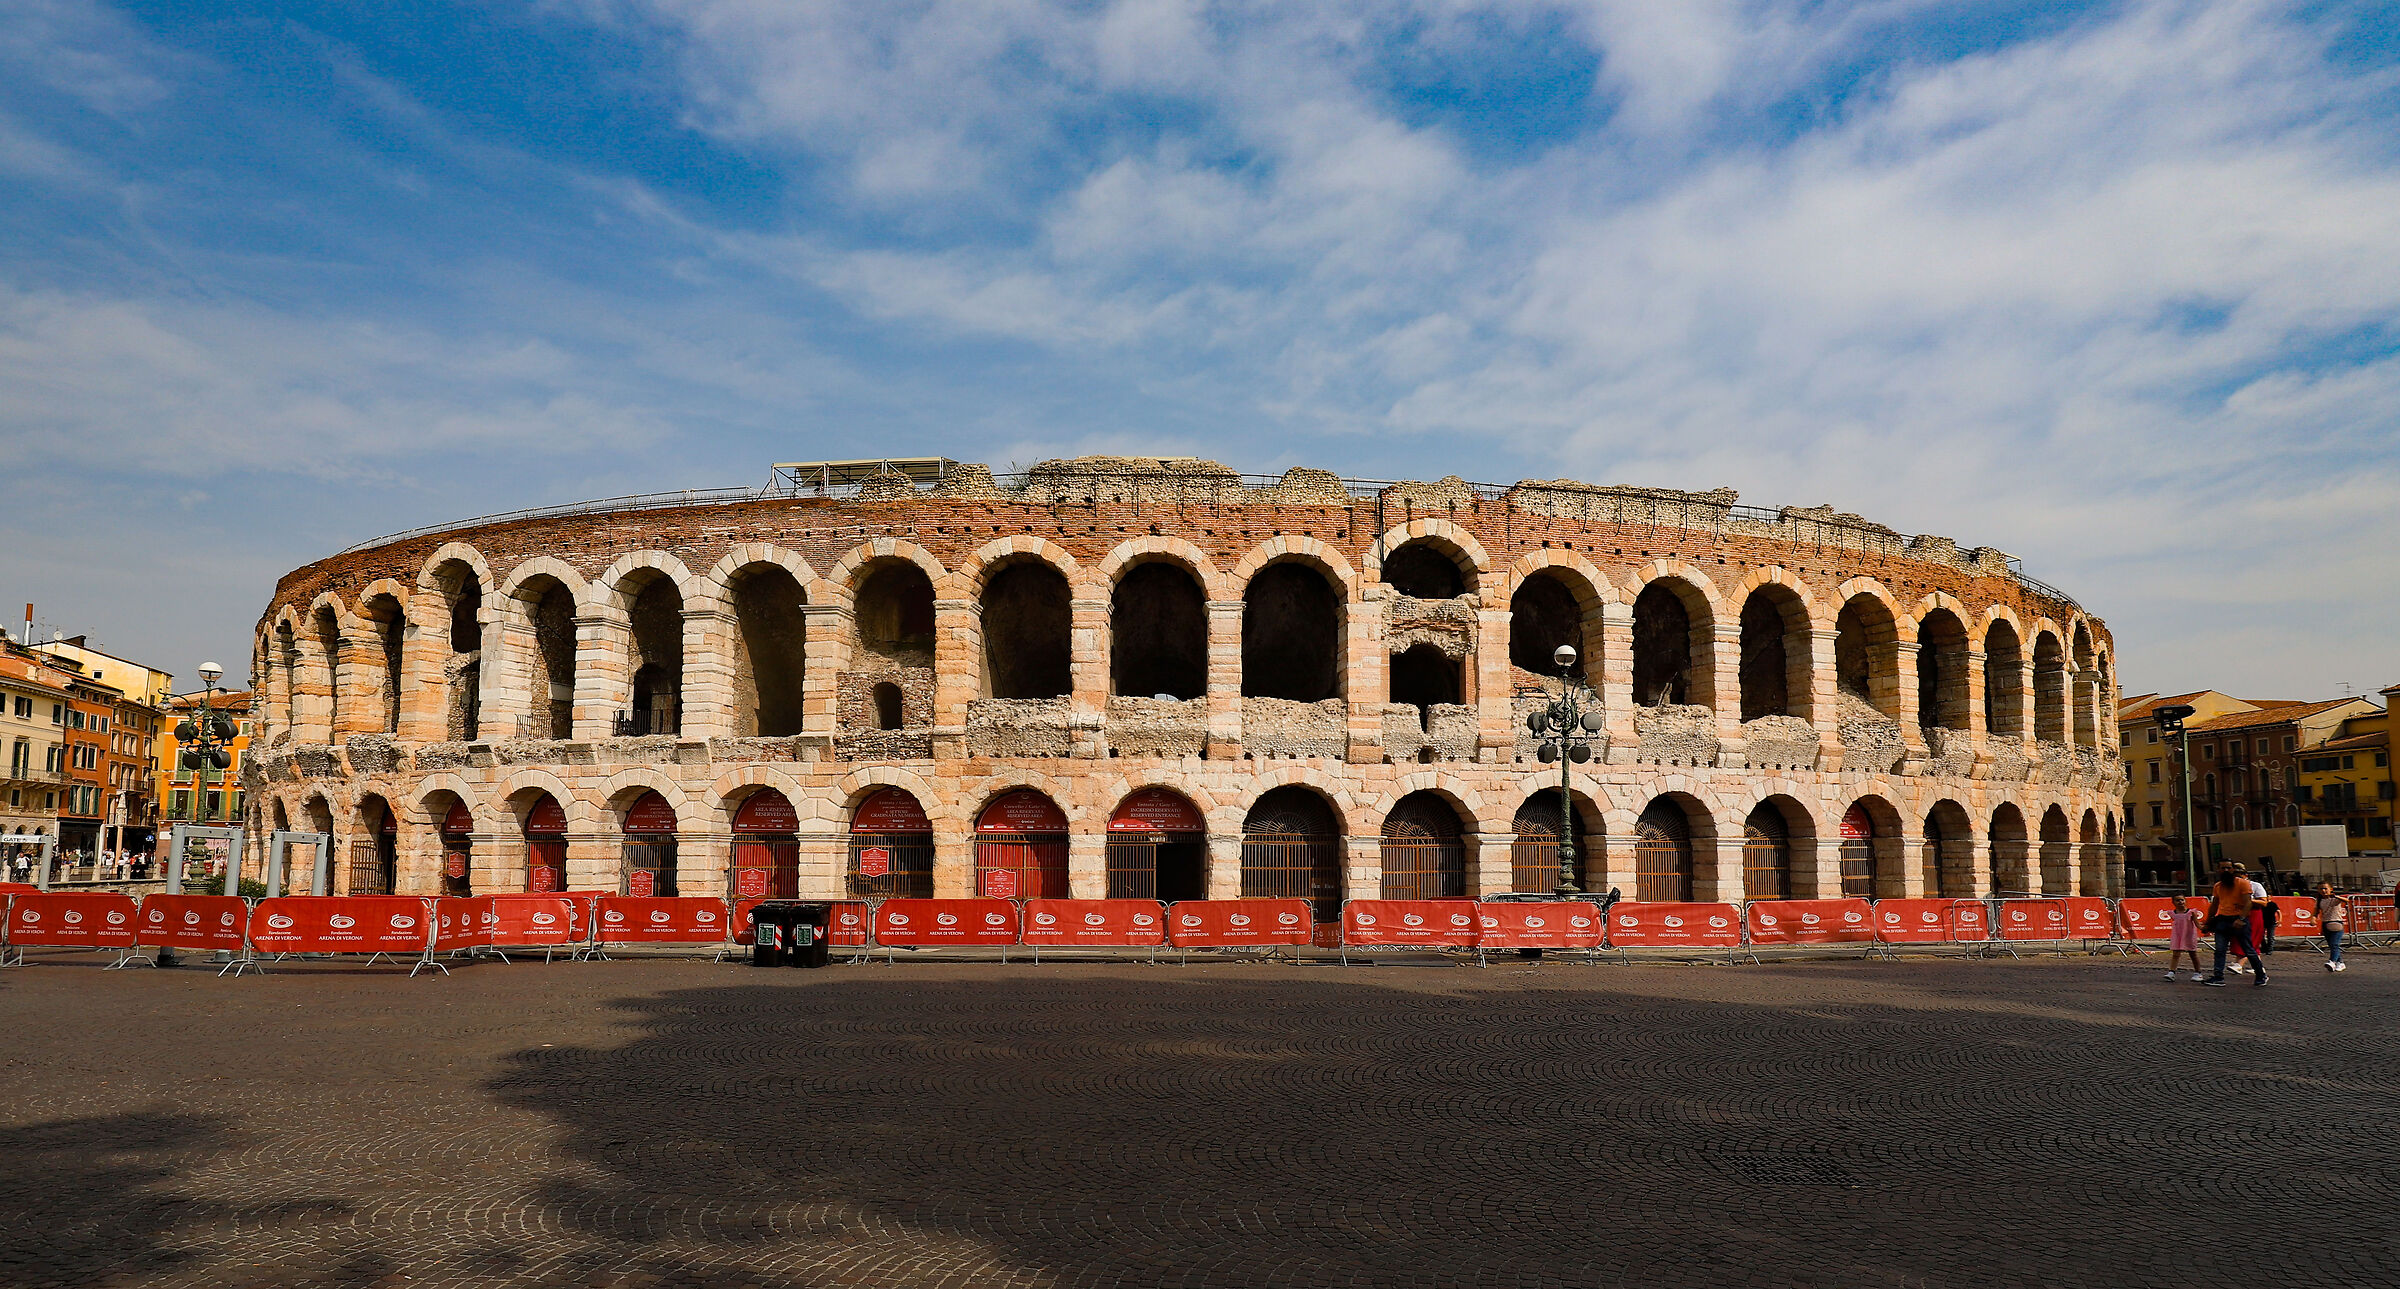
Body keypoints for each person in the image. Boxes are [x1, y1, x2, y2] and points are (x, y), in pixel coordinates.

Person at [2202, 869, 2267, 987]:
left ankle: (2261, 975)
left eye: (2228, 867)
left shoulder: (2243, 883)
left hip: (2238, 919)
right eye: (2222, 868)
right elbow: (2215, 904)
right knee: (2220, 950)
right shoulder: (2218, 886)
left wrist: (2241, 919)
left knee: (2248, 949)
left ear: (2232, 870)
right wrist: (2208, 921)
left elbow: (2248, 903)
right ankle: (2218, 977)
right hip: (2222, 919)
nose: (2225, 870)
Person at [2165, 893, 2207, 981]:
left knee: (2193, 954)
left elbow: (2197, 924)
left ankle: (2198, 973)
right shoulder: (2172, 913)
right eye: (2177, 900)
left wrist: (2205, 928)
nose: (2180, 902)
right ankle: (2171, 972)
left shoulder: (2191, 912)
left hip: (2189, 935)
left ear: (2185, 901)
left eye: (2182, 900)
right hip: (2177, 936)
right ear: (2173, 902)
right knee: (2176, 954)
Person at [2317, 882, 2347, 973]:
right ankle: (2340, 963)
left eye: (2325, 888)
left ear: (2330, 889)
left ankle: (2332, 961)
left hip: (2336, 923)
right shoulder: (2319, 901)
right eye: (2321, 889)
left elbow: (2347, 900)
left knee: (2335, 944)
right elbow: (2316, 911)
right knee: (2332, 945)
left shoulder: (2335, 899)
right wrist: (2313, 918)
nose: (2323, 891)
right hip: (2325, 924)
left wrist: (2336, 896)